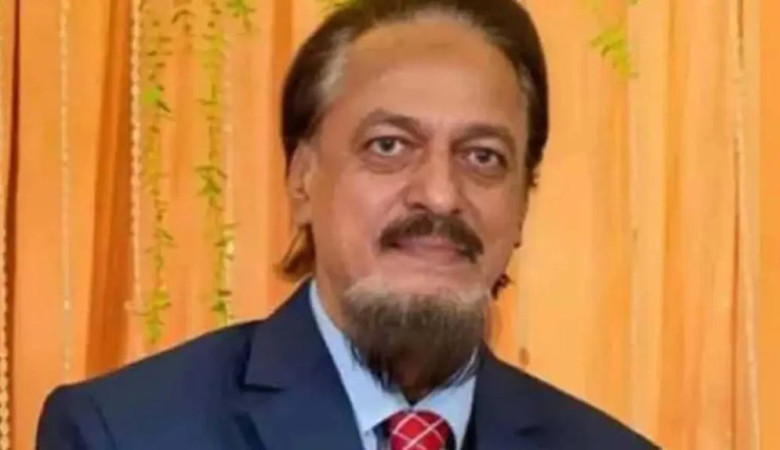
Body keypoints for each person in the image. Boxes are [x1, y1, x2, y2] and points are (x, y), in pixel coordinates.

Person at [37, 0, 658, 448]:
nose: (440, 195)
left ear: (522, 203)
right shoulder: (124, 432)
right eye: (389, 146)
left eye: (483, 157)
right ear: (302, 180)